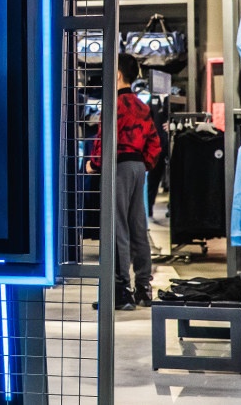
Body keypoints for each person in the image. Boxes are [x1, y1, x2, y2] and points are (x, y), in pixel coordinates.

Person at [87, 54, 162, 310]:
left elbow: (105, 138)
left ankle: (122, 290)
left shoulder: (113, 104)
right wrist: (145, 164)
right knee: (137, 226)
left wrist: (93, 163)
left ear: (117, 74)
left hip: (117, 167)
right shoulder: (141, 106)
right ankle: (144, 287)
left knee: (117, 226)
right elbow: (155, 141)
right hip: (138, 167)